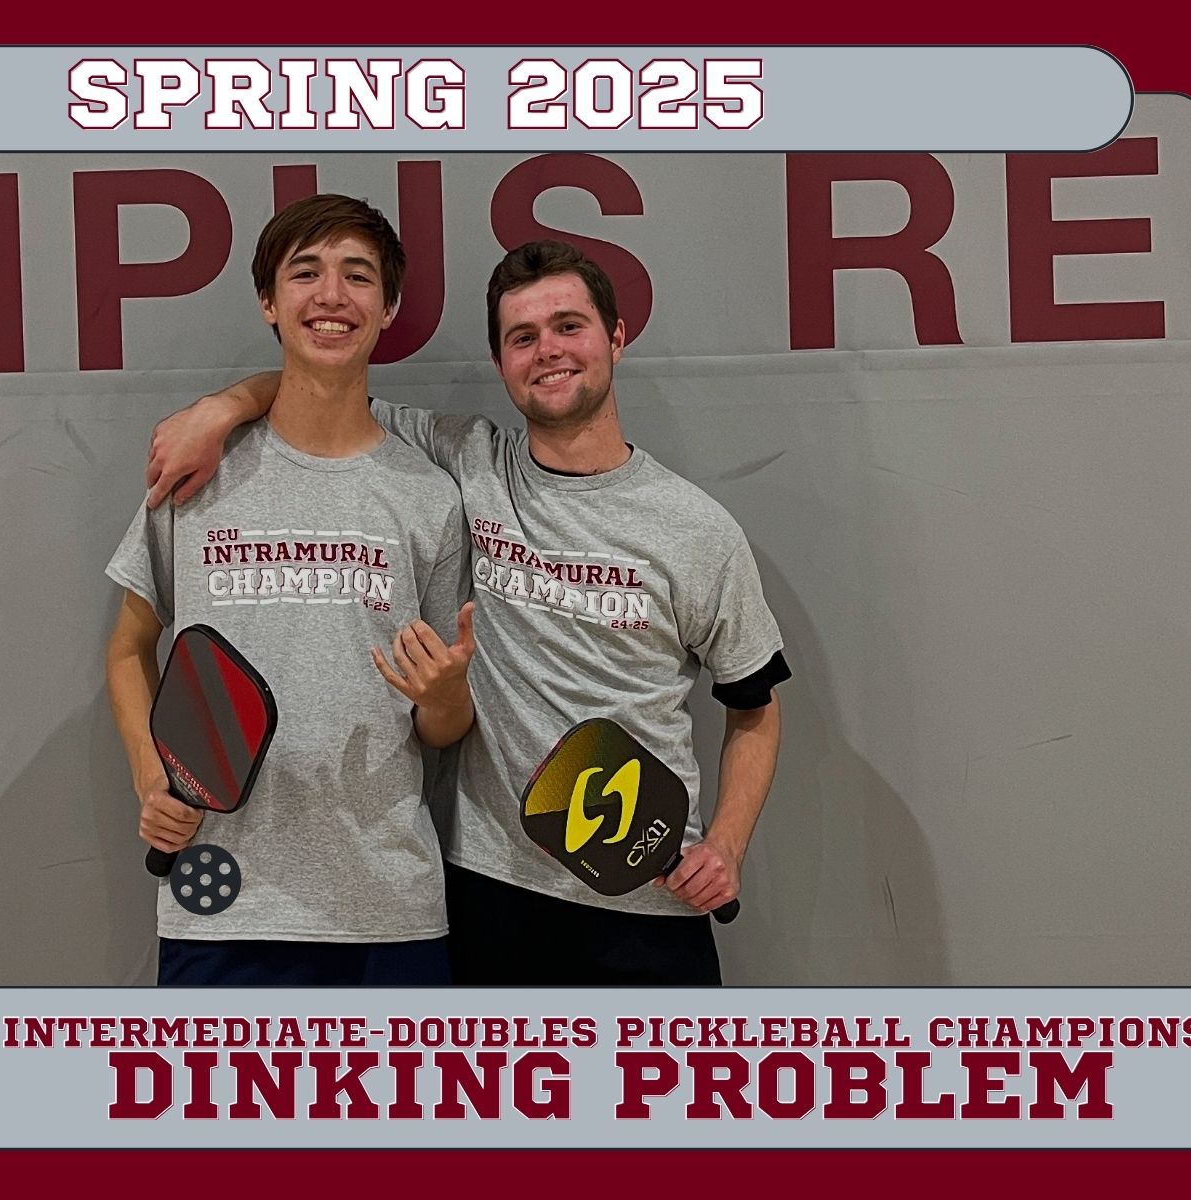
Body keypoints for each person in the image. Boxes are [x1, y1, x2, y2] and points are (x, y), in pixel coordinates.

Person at [144, 240, 790, 986]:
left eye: (569, 326)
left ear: (615, 335)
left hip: (644, 901)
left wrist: (729, 845)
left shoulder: (698, 529)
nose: (547, 351)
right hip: (485, 891)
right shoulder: (465, 461)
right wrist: (221, 410)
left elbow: (754, 711)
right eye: (523, 338)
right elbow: (318, 383)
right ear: (502, 363)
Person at [104, 194, 475, 987]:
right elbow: (129, 648)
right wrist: (148, 773)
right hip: (221, 897)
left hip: (388, 905)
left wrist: (445, 696)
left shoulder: (427, 495)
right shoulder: (197, 474)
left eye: (358, 276)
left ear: (389, 308)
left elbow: (442, 726)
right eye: (305, 273)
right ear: (270, 302)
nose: (332, 295)